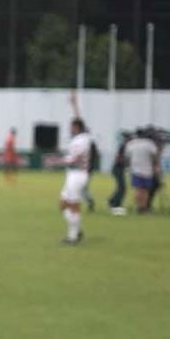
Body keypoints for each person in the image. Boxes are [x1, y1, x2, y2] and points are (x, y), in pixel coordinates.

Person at [58, 105, 93, 245]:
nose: (70, 129)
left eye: (72, 127)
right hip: (72, 175)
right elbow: (79, 118)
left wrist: (64, 160)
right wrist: (73, 104)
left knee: (73, 205)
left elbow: (76, 158)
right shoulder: (79, 138)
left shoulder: (83, 139)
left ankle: (73, 237)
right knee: (62, 204)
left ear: (77, 128)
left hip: (77, 175)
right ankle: (76, 230)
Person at [124, 126, 160, 214]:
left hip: (135, 170)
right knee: (145, 190)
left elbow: (127, 157)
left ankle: (138, 207)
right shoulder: (149, 143)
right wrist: (156, 168)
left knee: (138, 190)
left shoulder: (131, 144)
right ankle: (143, 208)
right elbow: (155, 157)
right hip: (147, 170)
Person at [109, 132, 132, 213]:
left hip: (119, 169)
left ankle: (113, 201)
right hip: (117, 168)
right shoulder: (123, 146)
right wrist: (126, 163)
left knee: (121, 187)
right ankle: (115, 203)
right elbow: (119, 157)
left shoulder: (125, 146)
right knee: (122, 187)